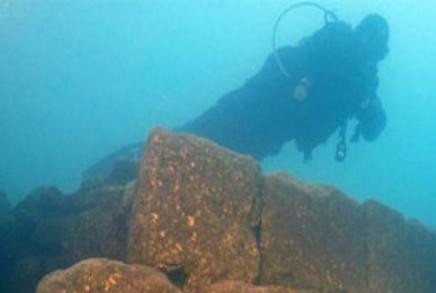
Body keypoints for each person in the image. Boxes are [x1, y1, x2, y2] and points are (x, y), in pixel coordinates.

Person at [85, 11, 388, 181]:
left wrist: (370, 109)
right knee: (200, 136)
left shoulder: (363, 81)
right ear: (362, 35)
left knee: (213, 154)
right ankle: (123, 165)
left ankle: (131, 168)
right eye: (369, 44)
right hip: (261, 102)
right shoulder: (339, 43)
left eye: (375, 51)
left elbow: (373, 125)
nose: (369, 53)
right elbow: (323, 65)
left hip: (274, 128)